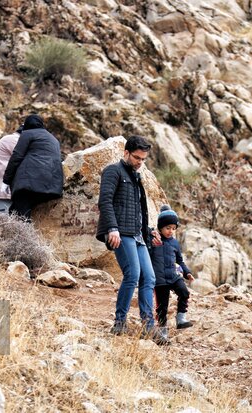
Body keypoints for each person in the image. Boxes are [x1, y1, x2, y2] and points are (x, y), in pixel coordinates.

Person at [95, 135, 169, 345]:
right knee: (133, 274)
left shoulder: (137, 178)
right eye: (137, 158)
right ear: (125, 153)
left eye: (143, 159)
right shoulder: (113, 171)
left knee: (150, 277)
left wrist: (149, 231)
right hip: (121, 233)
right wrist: (112, 228)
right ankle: (119, 322)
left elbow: (136, 211)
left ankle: (148, 327)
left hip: (138, 235)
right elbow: (105, 201)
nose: (140, 162)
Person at [2, 114, 64, 220]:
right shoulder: (54, 139)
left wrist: (6, 180)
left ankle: (24, 236)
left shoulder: (27, 133)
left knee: (21, 215)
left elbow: (17, 156)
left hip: (29, 184)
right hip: (53, 185)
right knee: (15, 211)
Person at [150, 205, 194, 338]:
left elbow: (179, 261)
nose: (171, 231)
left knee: (184, 292)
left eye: (173, 228)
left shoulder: (175, 243)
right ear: (160, 228)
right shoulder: (154, 240)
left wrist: (186, 272)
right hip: (160, 280)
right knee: (162, 307)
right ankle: (163, 331)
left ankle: (181, 318)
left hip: (173, 276)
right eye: (167, 228)